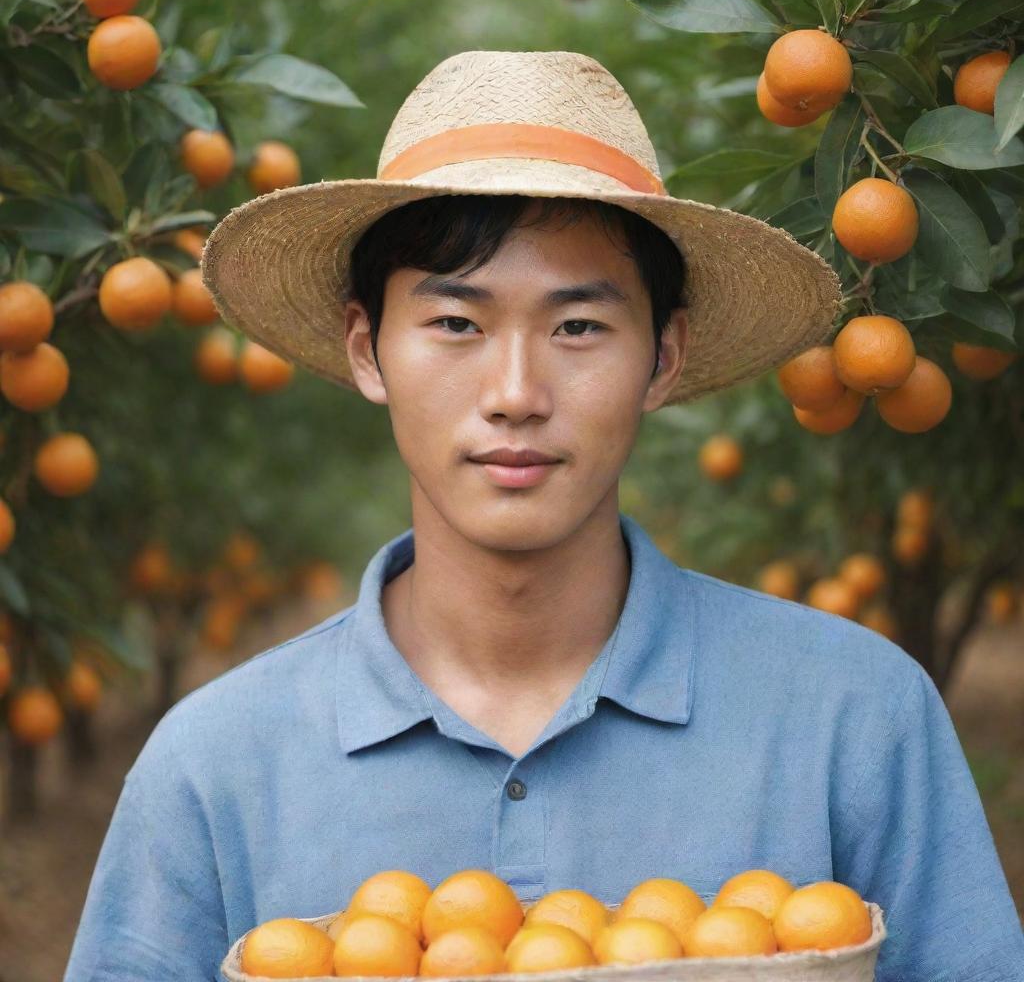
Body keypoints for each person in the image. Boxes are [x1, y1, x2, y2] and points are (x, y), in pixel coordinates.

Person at [64, 50, 1024, 981]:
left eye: (578, 327)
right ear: (368, 351)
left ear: (663, 357)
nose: (515, 392)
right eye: (455, 324)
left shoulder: (854, 719)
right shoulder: (218, 764)